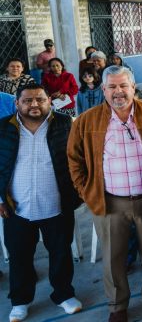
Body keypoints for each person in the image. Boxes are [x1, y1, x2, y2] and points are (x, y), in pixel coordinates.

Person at [67, 66, 142, 322]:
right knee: (113, 258)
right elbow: (74, 159)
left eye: (123, 86)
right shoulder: (86, 120)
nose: (118, 92)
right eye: (112, 87)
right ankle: (117, 306)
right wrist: (87, 192)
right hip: (109, 202)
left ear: (133, 87)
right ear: (103, 90)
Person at [0, 84, 84, 322]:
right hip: (17, 208)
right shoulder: (3, 128)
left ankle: (64, 295)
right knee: (19, 257)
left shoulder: (65, 124)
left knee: (60, 253)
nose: (34, 104)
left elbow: (78, 160)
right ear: (17, 104)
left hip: (56, 205)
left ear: (50, 101)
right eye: (27, 100)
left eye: (40, 99)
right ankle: (20, 301)